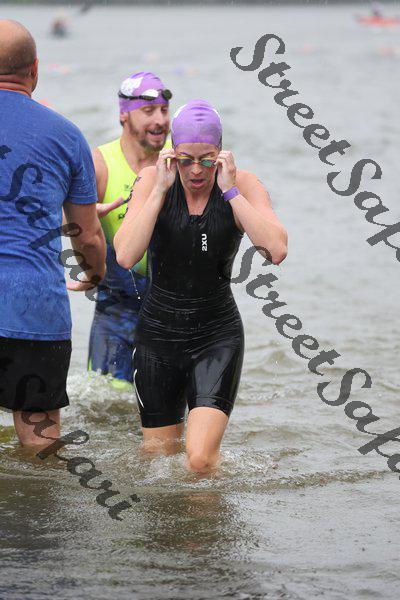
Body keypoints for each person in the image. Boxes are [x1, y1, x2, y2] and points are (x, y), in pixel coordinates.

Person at [114, 99, 288, 473]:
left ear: (221, 154)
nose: (195, 170)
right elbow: (126, 255)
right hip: (157, 338)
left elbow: (275, 249)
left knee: (200, 461)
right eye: (185, 159)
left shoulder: (243, 183)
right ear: (172, 153)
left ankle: (209, 513)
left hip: (216, 336)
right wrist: (159, 192)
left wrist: (231, 192)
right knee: (158, 460)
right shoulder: (152, 179)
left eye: (206, 160)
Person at [0, 20, 106, 448]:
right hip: (35, 311)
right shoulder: (66, 135)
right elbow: (88, 236)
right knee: (40, 446)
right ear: (35, 69)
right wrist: (94, 275)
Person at [84, 71, 172, 390]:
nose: (160, 120)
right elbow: (68, 223)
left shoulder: (181, 160)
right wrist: (83, 221)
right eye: (148, 111)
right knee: (106, 406)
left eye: (164, 110)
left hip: (171, 314)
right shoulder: (100, 164)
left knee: (174, 409)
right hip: (115, 313)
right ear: (124, 114)